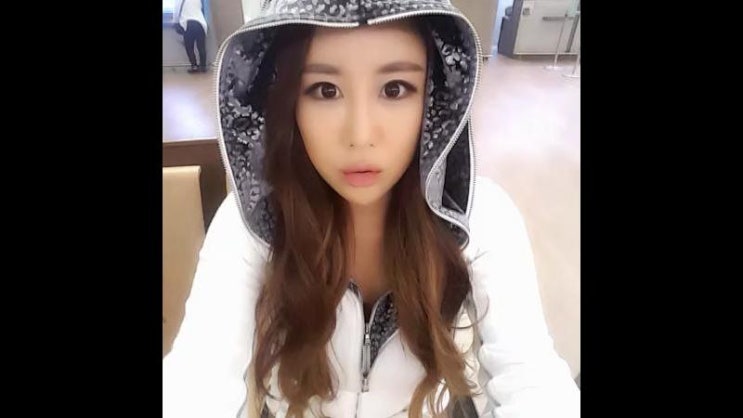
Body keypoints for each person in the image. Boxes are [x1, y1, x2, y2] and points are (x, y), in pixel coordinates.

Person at [163, 1, 580, 417]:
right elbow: (197, 381)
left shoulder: (478, 216)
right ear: (288, 99)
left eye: (394, 89)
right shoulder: (253, 223)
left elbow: (533, 381)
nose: (360, 135)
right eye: (325, 90)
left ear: (435, 98)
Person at [175, 0, 208, 73]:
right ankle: (203, 66)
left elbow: (176, 11)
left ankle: (194, 66)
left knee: (189, 47)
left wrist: (175, 22)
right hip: (200, 23)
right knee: (201, 47)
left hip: (188, 23)